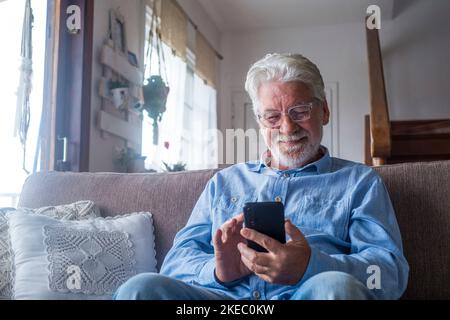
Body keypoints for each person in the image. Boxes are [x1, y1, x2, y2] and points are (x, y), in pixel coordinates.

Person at [114, 53, 409, 300]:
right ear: (259, 122)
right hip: (225, 299)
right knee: (139, 289)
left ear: (324, 111)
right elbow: (175, 264)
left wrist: (311, 266)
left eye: (300, 111)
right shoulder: (223, 183)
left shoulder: (360, 182)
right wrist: (219, 272)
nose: (287, 127)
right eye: (272, 117)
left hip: (306, 294)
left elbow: (388, 272)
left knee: (336, 289)